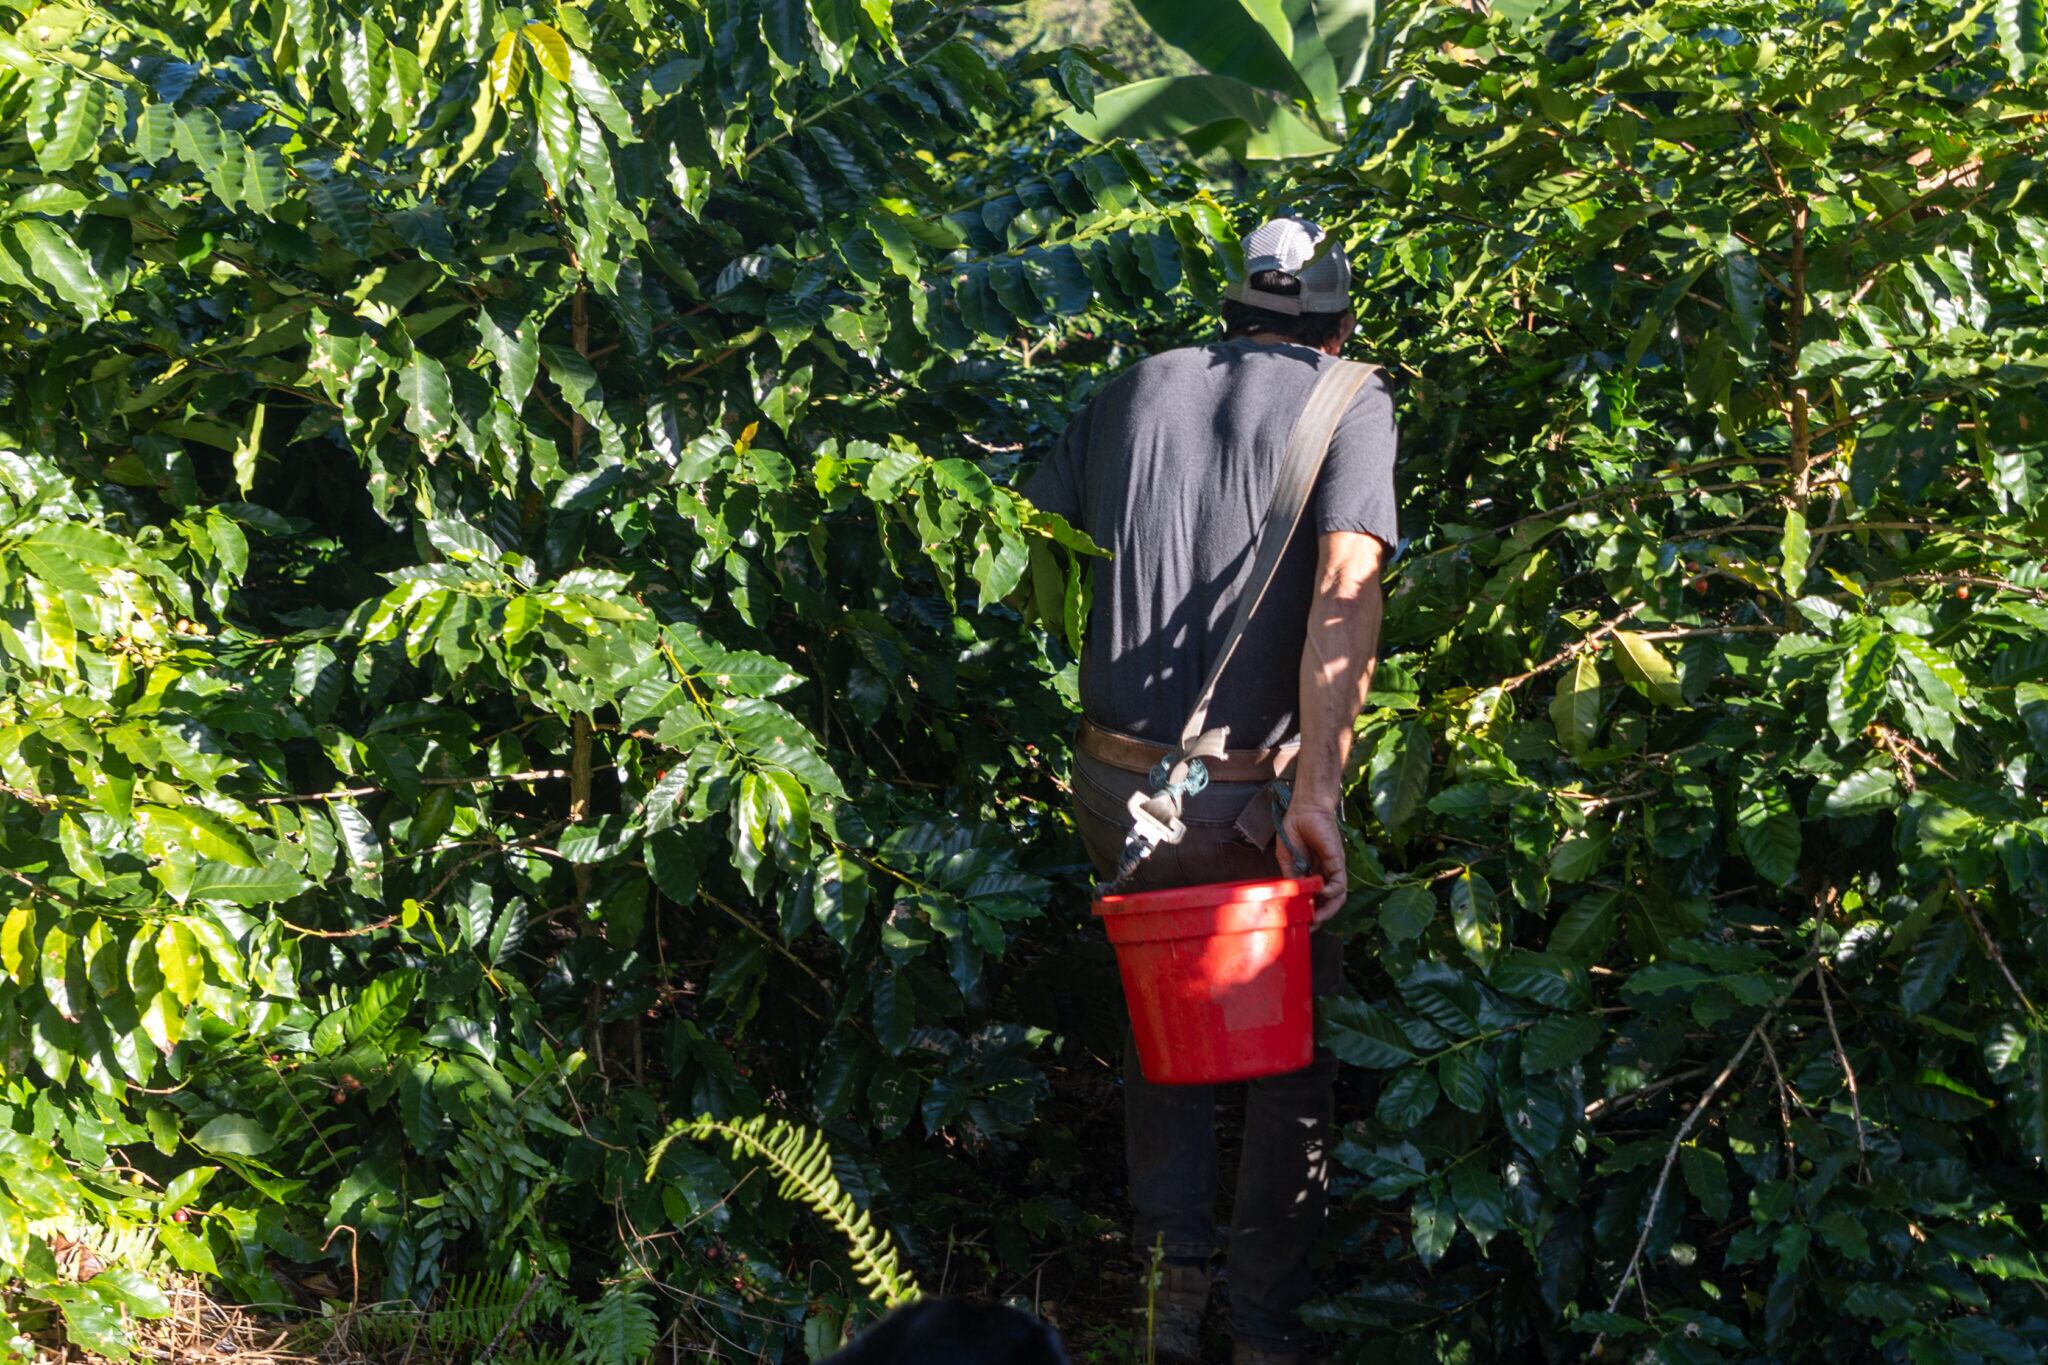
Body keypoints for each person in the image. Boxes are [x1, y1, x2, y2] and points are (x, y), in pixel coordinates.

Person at [1024, 216, 1397, 1365]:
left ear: (1230, 309)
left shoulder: (1132, 386)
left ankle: (1163, 1307)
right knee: (1284, 1058)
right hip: (1253, 792)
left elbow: (1036, 539)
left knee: (1166, 1028)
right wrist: (1318, 794)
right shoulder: (1351, 399)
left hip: (1116, 781)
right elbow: (1346, 584)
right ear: (1335, 326)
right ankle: (1267, 1329)